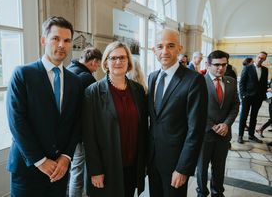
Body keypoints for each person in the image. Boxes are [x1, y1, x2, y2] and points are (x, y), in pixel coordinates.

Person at [6, 16, 83, 197]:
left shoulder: (75, 81)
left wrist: (66, 157)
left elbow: (77, 122)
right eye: (55, 39)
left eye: (67, 40)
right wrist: (40, 161)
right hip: (28, 168)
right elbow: (17, 121)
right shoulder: (23, 74)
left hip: (60, 170)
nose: (61, 45)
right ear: (43, 41)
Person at [82, 41, 148, 197]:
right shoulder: (93, 92)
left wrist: (144, 163)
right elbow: (89, 136)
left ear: (128, 61)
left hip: (132, 165)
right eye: (113, 58)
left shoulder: (137, 90)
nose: (118, 62)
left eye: (123, 58)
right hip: (107, 167)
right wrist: (95, 170)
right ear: (106, 62)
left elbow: (143, 129)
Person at [148, 29, 208, 197]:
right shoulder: (152, 77)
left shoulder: (194, 80)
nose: (165, 51)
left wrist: (183, 168)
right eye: (160, 46)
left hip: (176, 163)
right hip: (153, 161)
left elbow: (195, 129)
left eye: (171, 46)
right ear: (154, 50)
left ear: (179, 49)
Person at [196, 50, 240, 197]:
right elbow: (196, 108)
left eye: (224, 64)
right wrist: (212, 125)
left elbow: (235, 105)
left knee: (219, 167)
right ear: (208, 65)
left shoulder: (231, 82)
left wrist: (226, 124)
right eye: (216, 65)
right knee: (201, 169)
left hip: (223, 134)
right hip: (205, 134)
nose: (220, 68)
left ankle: (217, 193)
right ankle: (202, 193)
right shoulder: (199, 81)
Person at [66, 47, 102, 197]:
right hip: (79, 131)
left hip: (65, 130)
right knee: (77, 170)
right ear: (94, 61)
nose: (96, 69)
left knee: (68, 169)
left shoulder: (68, 69)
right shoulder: (87, 77)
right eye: (98, 65)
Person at [238, 51, 268, 144]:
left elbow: (263, 84)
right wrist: (243, 95)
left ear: (265, 59)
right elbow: (242, 82)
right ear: (256, 57)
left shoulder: (265, 70)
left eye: (262, 58)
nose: (260, 59)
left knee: (254, 117)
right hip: (247, 97)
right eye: (259, 57)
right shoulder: (247, 68)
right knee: (244, 116)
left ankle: (251, 135)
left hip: (258, 98)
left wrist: (263, 96)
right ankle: (240, 135)